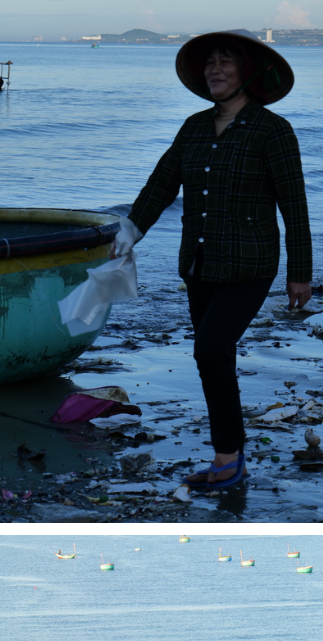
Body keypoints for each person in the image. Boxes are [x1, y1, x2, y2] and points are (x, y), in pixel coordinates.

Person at [118, 30, 311, 494]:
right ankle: (231, 455)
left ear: (246, 73)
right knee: (211, 358)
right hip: (200, 266)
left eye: (225, 62)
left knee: (211, 349)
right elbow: (160, 186)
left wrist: (299, 273)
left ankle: (228, 458)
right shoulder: (194, 127)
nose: (215, 70)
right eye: (209, 64)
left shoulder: (273, 130)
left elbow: (295, 206)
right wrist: (126, 234)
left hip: (250, 264)